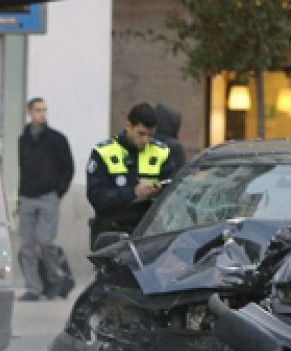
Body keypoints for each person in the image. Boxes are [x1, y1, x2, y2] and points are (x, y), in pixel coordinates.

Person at [86, 103, 180, 246]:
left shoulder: (161, 152)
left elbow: (174, 189)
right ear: (128, 126)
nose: (145, 140)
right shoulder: (103, 152)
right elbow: (96, 196)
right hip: (111, 234)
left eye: (150, 135)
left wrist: (158, 192)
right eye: (141, 134)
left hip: (147, 235)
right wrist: (133, 192)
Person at [17, 98, 75, 301]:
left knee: (44, 241)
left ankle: (56, 278)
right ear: (29, 112)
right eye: (37, 110)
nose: (41, 114)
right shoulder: (23, 140)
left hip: (48, 196)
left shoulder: (57, 139)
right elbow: (23, 170)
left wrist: (59, 191)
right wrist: (19, 197)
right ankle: (33, 287)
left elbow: (68, 168)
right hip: (27, 197)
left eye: (44, 110)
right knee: (26, 245)